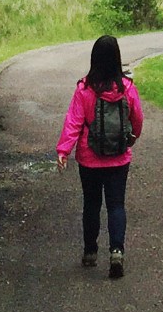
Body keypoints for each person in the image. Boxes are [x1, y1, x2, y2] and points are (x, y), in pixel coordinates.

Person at [57, 34, 143, 278]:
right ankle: (116, 251)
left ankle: (90, 251)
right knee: (116, 205)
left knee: (91, 204)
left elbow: (73, 122)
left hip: (89, 157)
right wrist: (133, 136)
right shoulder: (127, 88)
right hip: (118, 156)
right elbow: (137, 118)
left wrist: (64, 150)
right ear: (117, 59)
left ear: (94, 58)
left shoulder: (84, 89)